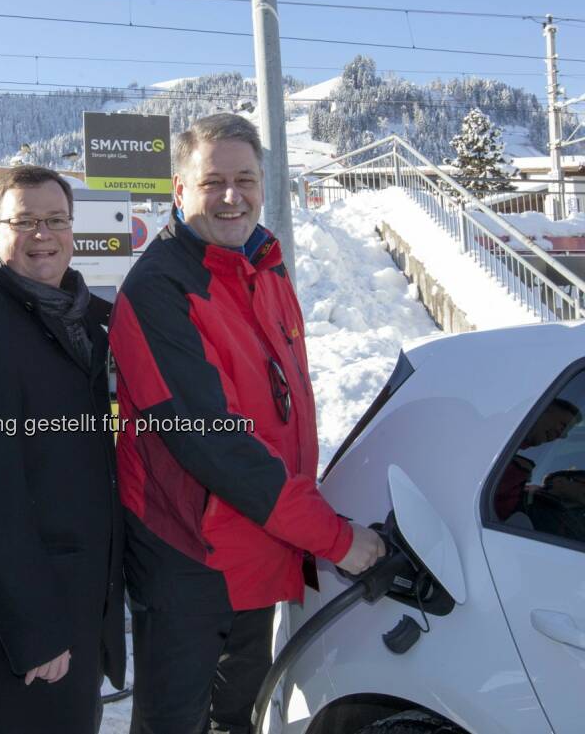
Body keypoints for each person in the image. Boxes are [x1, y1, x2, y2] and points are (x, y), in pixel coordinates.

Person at [107, 113, 386, 734]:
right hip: (190, 551)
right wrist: (335, 539)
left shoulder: (265, 268)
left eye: (246, 178)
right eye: (212, 182)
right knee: (174, 719)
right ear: (179, 190)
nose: (231, 196)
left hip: (258, 539)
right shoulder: (160, 289)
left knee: (241, 714)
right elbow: (214, 443)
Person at [0, 165, 125, 734]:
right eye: (26, 221)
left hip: (79, 604)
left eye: (56, 220)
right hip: (18, 625)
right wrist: (35, 631)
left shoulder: (92, 319)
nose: (44, 234)